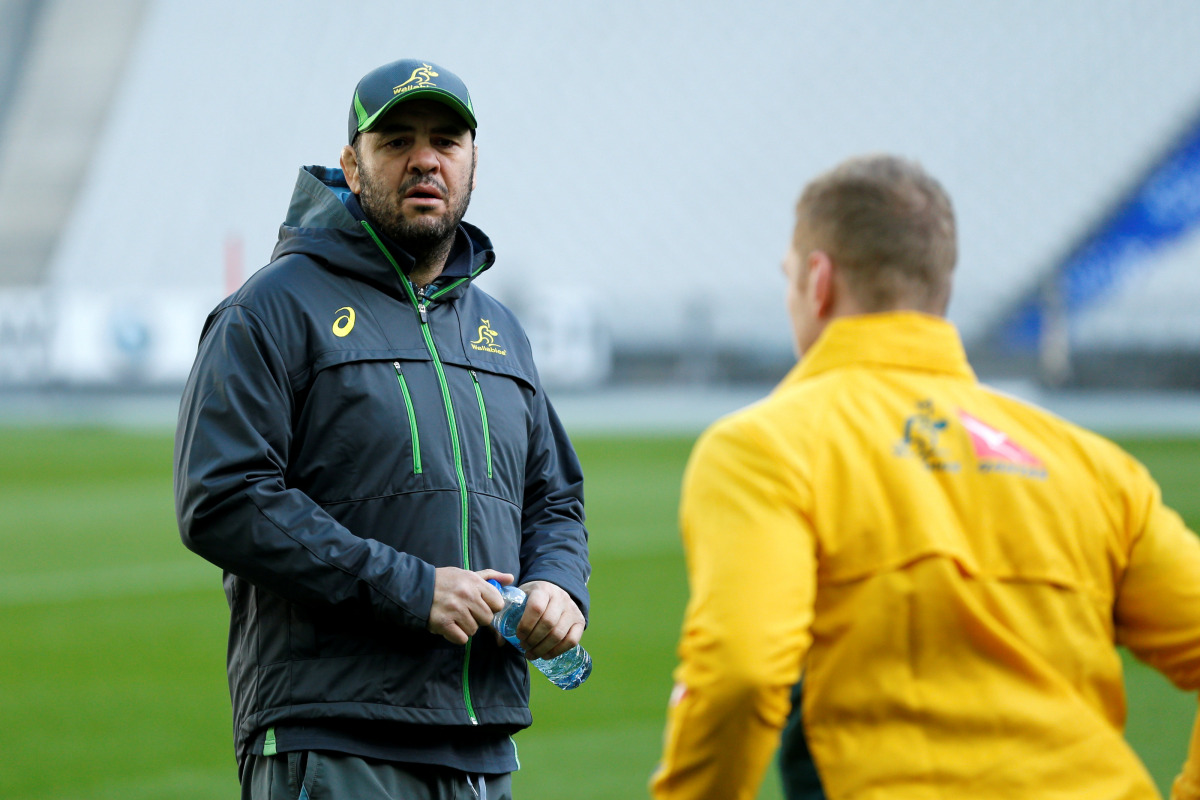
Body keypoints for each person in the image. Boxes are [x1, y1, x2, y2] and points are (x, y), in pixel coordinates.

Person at [651, 154, 1200, 800]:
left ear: (818, 280)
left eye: (790, 278)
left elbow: (740, 675)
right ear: (937, 286)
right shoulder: (1094, 465)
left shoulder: (766, 447)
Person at [174, 58, 590, 800]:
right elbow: (224, 497)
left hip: (481, 743)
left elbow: (554, 498)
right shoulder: (271, 309)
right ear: (351, 164)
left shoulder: (498, 329)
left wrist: (560, 588)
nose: (424, 158)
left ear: (470, 159)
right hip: (335, 736)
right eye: (396, 139)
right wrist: (410, 588)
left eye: (446, 140)